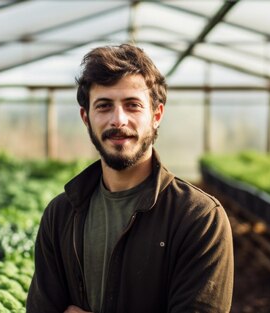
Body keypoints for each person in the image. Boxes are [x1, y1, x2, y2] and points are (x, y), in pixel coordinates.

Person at [26, 44, 234, 313]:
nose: (118, 119)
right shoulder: (61, 214)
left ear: (156, 115)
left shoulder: (199, 218)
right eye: (104, 106)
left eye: (132, 105)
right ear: (86, 118)